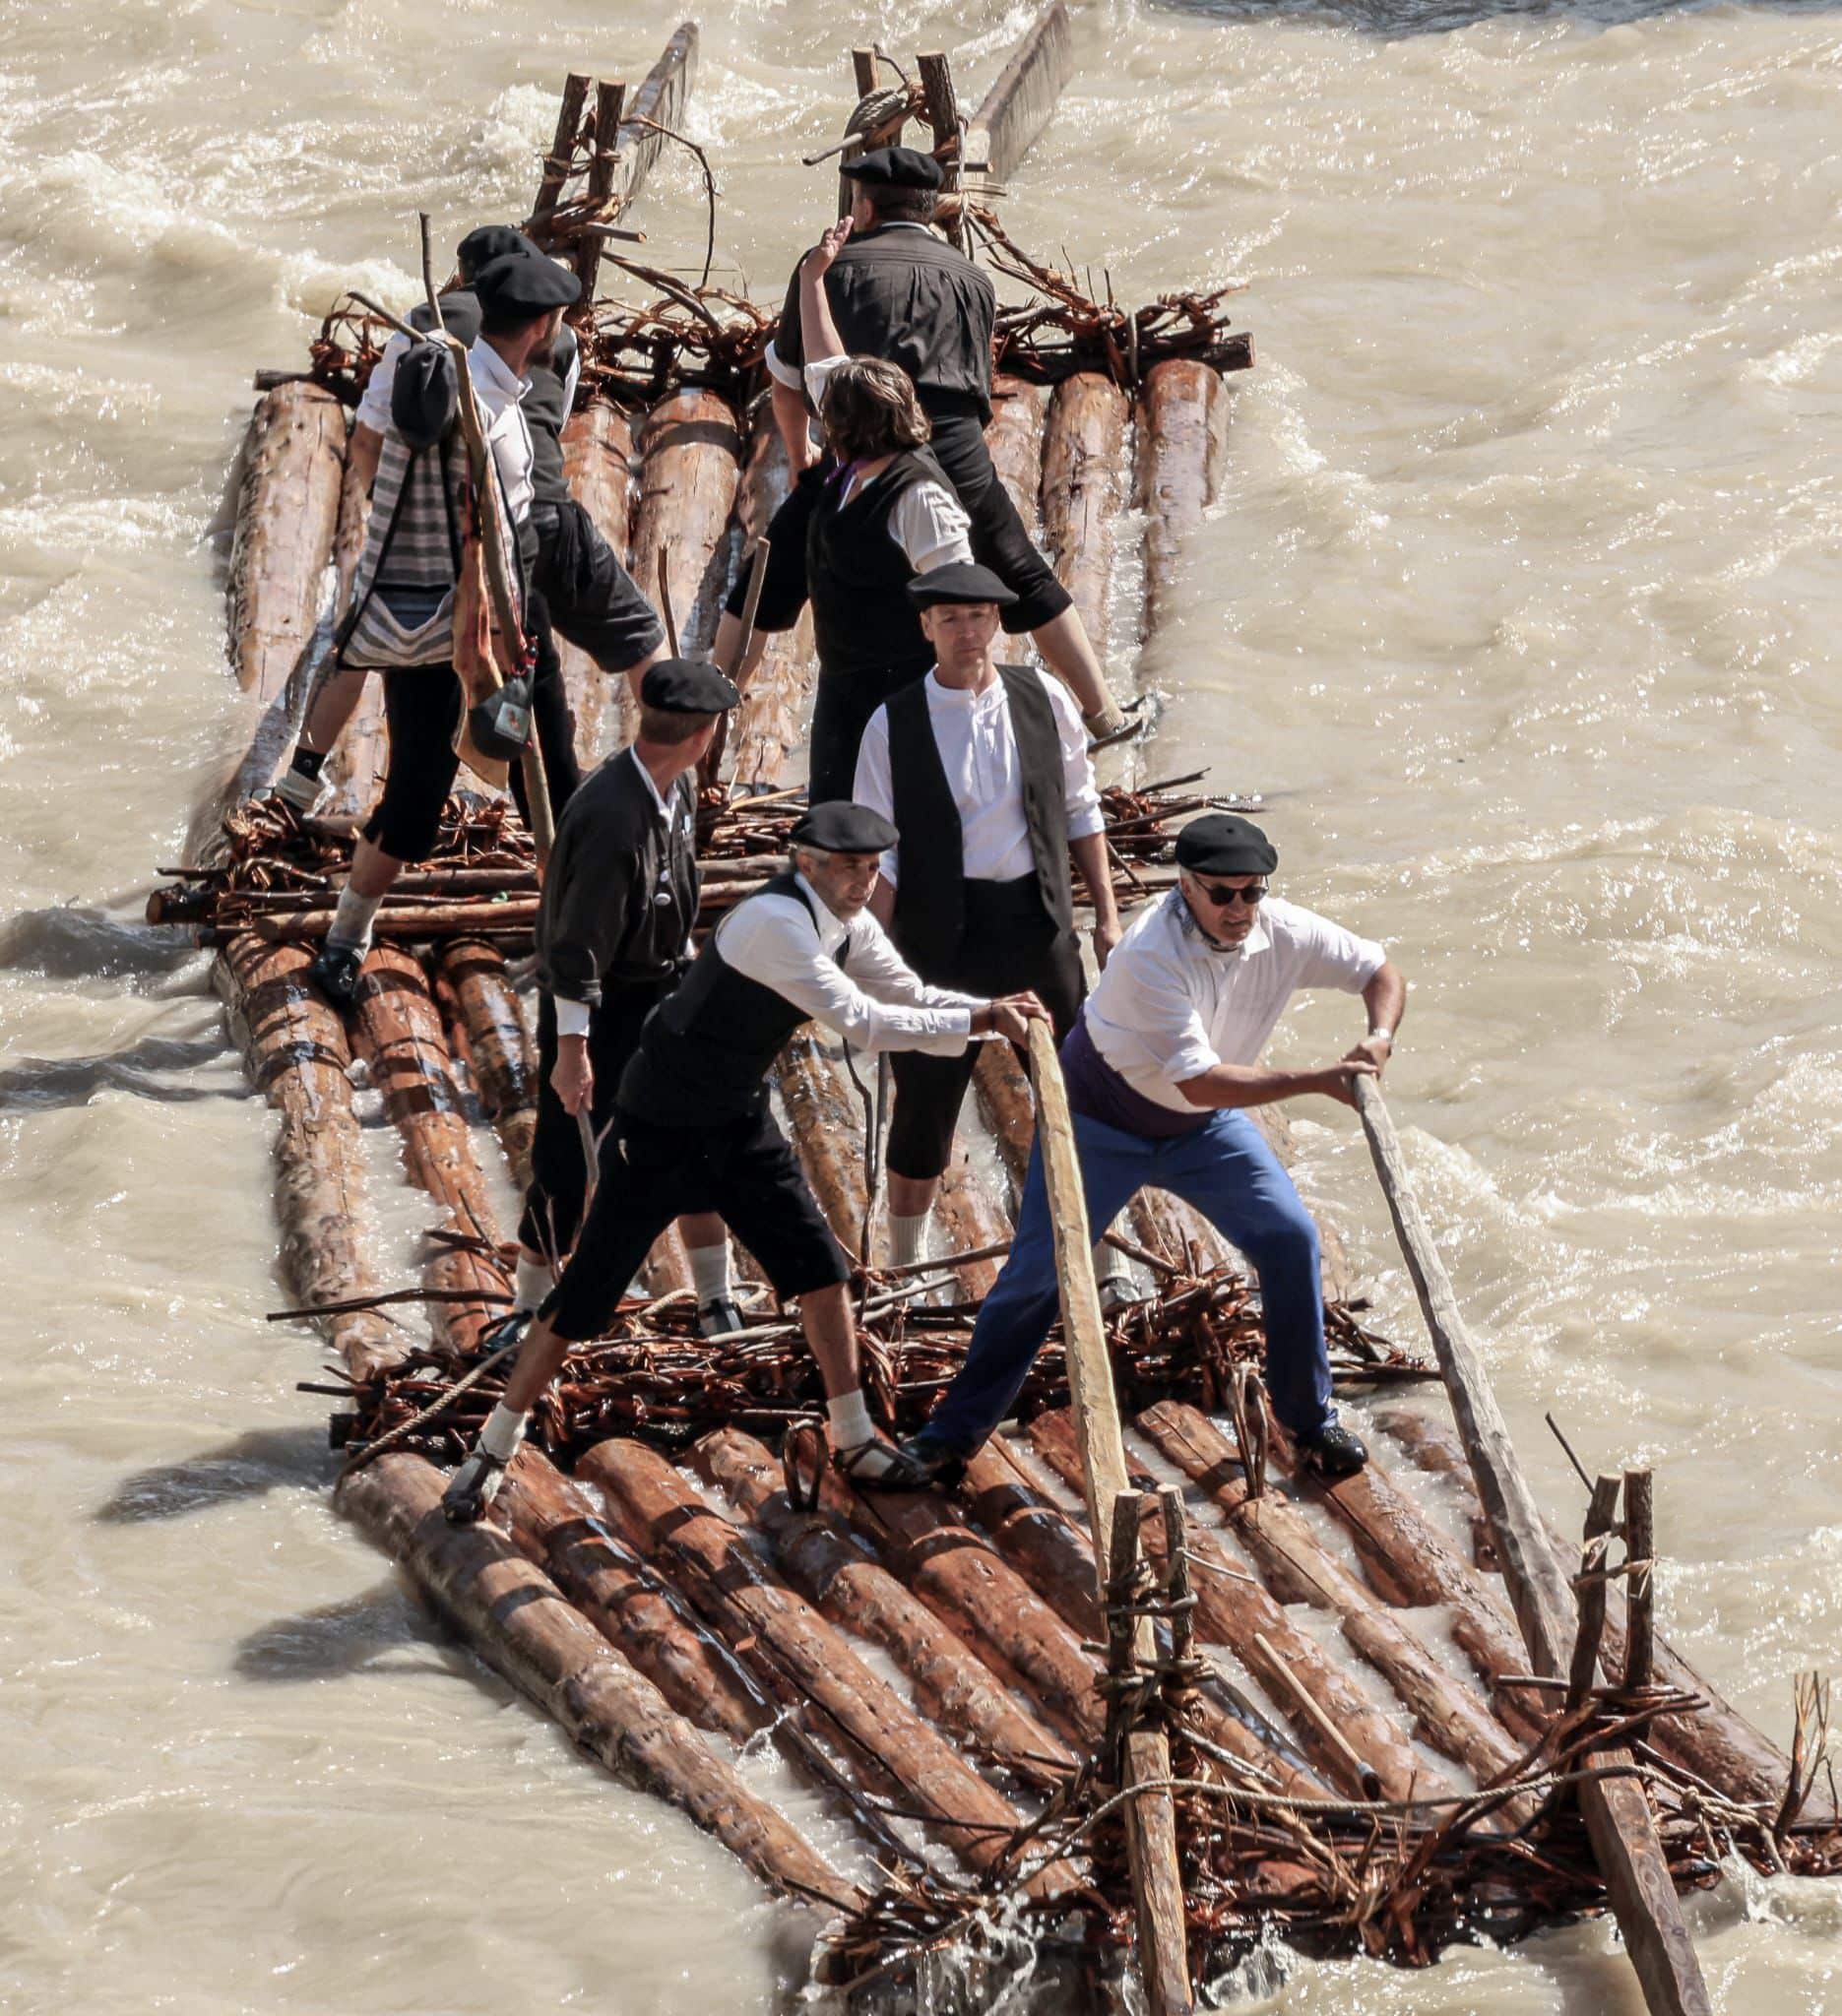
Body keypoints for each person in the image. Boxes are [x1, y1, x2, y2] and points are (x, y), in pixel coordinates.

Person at [441, 800, 1048, 1524]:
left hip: (736, 1119)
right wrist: (982, 1022)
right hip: (658, 1124)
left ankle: (853, 1438)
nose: (863, 882)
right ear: (806, 864)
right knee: (581, 1303)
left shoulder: (849, 927)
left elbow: (908, 996)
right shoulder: (774, 925)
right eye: (849, 868)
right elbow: (863, 1022)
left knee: (822, 1274)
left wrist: (989, 1008)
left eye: (871, 868)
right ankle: (491, 1450)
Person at [896, 813, 1407, 1484]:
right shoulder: (1149, 954)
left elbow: (1380, 971)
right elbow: (1198, 1080)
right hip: (1103, 1121)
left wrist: (1377, 1037)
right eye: (1221, 894)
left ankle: (1308, 1421)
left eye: (1250, 892)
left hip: (1203, 1127)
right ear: (1185, 888)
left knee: (1289, 1239)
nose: (1238, 909)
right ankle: (951, 1435)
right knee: (1039, 1276)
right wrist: (1316, 1080)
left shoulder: (1283, 930)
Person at [711, 147, 1126, 739]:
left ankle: (706, 715)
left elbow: (791, 387)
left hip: (859, 445)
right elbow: (978, 390)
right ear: (929, 210)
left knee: (766, 577)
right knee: (1023, 574)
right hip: (954, 448)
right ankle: (1102, 712)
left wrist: (806, 458)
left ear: (865, 206)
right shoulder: (973, 279)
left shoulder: (828, 271)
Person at [275, 227, 663, 818]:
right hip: (543, 512)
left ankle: (301, 779)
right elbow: (549, 424)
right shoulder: (558, 341)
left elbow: (372, 434)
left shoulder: (418, 331)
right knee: (637, 636)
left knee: (361, 641)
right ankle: (664, 771)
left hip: (465, 534)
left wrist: (395, 507)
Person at [304, 250, 583, 1008]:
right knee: (548, 778)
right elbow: (495, 529)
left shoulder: (429, 375)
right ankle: (578, 944)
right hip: (492, 622)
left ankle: (343, 943)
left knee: (417, 794)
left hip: (421, 621)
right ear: (543, 326)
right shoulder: (489, 407)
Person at [851, 560, 1120, 1277]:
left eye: (977, 618)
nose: (965, 633)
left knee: (1079, 1090)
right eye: (949, 620)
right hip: (939, 936)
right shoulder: (892, 722)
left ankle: (1100, 1254)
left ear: (997, 623)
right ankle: (906, 1269)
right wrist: (872, 955)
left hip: (1037, 925)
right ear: (926, 628)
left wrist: (1105, 915)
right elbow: (880, 854)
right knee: (923, 1108)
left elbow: (1079, 808)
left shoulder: (1045, 699)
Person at [518, 658, 743, 1338]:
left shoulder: (673, 792)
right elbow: (576, 949)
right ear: (703, 735)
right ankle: (527, 1308)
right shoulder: (615, 815)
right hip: (601, 1010)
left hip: (664, 995)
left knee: (697, 1142)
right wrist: (571, 1052)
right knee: (564, 1162)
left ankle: (715, 1298)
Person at [716, 216, 976, 800]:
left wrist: (966, 704)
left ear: (846, 429)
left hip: (903, 689)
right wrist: (812, 278)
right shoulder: (848, 465)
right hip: (845, 683)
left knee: (898, 820)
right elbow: (825, 360)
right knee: (832, 819)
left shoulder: (919, 496)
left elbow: (962, 603)